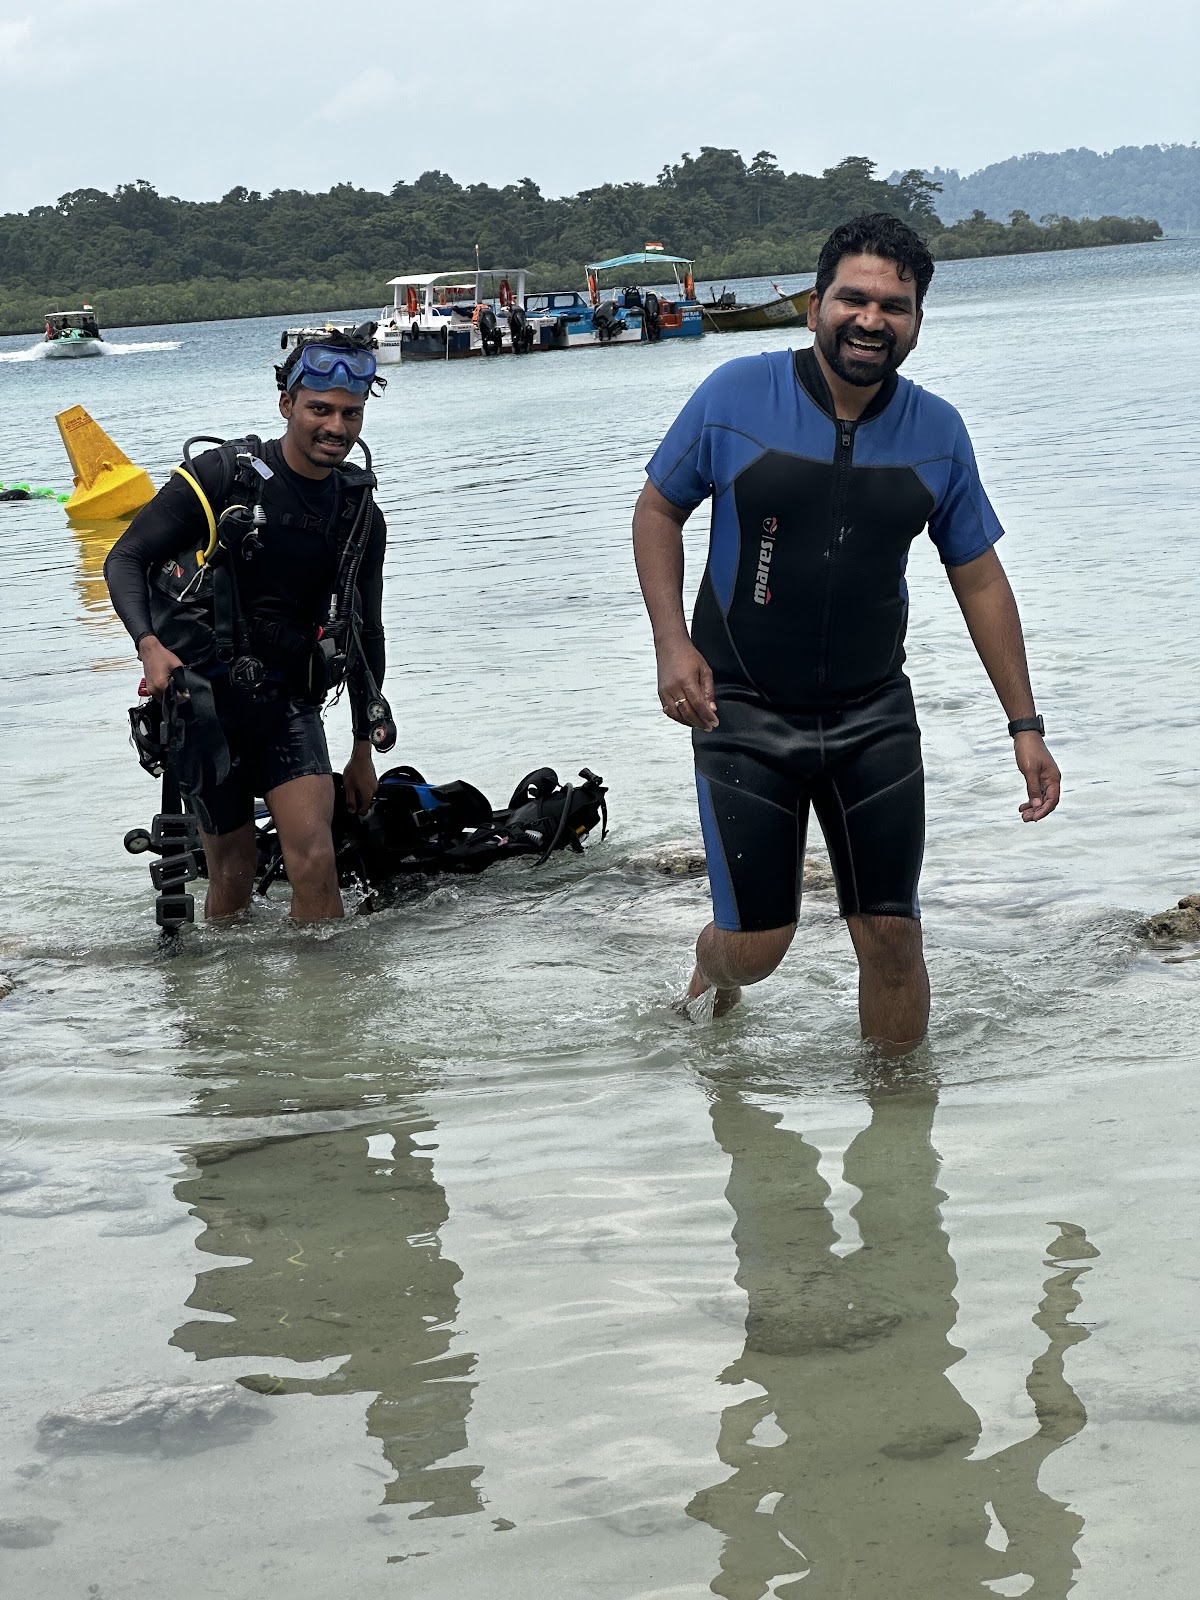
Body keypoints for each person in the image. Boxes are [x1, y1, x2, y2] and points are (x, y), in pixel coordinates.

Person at [633, 212, 1060, 1045]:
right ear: (813, 306)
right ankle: (710, 967)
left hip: (873, 714)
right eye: (852, 299)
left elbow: (978, 575)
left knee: (893, 933)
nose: (871, 320)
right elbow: (658, 509)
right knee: (757, 949)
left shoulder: (938, 432)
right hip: (744, 711)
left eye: (893, 306)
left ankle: (901, 1139)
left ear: (917, 324)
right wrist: (670, 643)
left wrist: (1026, 725)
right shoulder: (734, 396)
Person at [104, 333, 391, 923]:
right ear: (287, 404)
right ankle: (229, 1005)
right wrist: (149, 646)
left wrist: (365, 746)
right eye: (320, 409)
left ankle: (329, 1010)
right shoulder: (220, 477)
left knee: (315, 862)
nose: (335, 426)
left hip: (289, 699)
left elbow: (367, 631)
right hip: (203, 703)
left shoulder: (358, 510)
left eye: (350, 413)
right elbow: (124, 559)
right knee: (231, 872)